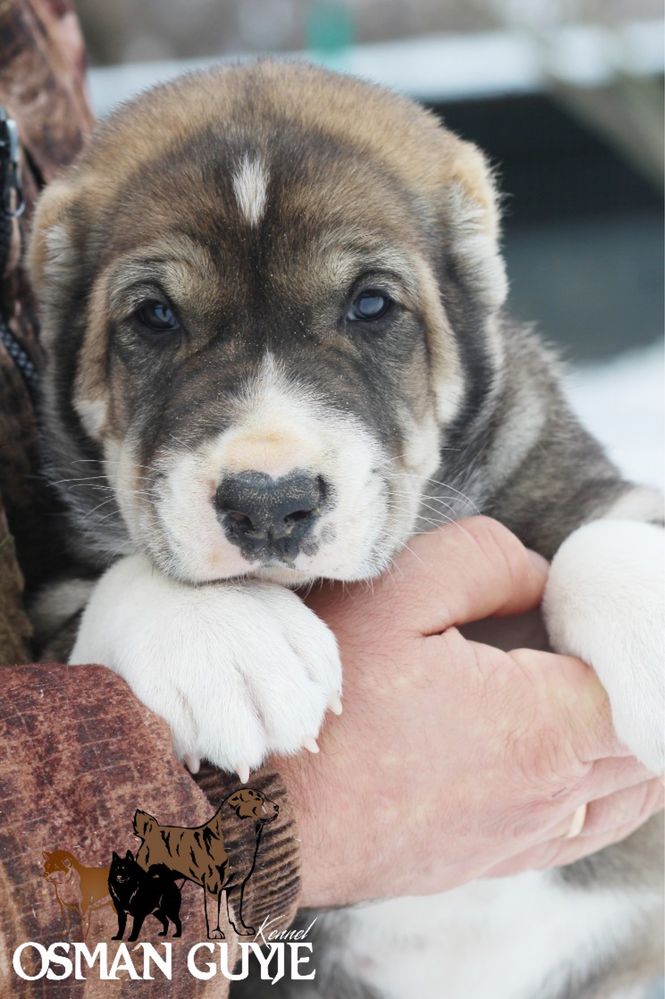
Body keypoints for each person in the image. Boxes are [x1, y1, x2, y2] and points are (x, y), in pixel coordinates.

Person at [0, 2, 661, 995]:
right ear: (59, 282)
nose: (268, 471)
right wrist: (133, 615)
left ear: (466, 263)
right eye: (156, 316)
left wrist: (615, 569)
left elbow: (608, 521)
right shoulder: (86, 511)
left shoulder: (504, 431)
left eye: (369, 308)